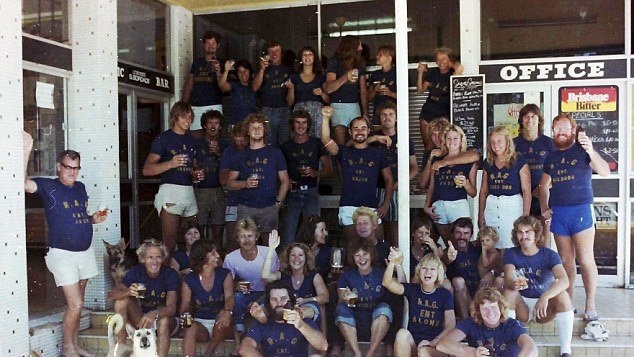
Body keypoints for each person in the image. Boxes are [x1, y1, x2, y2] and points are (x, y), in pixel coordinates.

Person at [23, 134, 107, 357]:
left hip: (85, 253)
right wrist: (27, 148)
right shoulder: (47, 185)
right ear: (59, 166)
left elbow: (79, 216)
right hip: (62, 254)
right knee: (76, 304)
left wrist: (92, 219)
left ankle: (75, 345)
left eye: (76, 168)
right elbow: (21, 183)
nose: (73, 172)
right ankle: (67, 349)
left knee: (78, 304)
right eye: (68, 167)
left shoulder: (80, 187)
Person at [539, 113, 610, 323]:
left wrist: (591, 150)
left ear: (573, 131)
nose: (560, 132)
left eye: (564, 128)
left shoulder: (583, 150)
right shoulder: (550, 157)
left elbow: (604, 171)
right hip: (559, 213)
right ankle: (568, 303)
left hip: (580, 210)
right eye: (557, 129)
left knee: (586, 259)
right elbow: (543, 187)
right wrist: (544, 208)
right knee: (566, 261)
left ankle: (590, 305)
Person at [503, 215, 575, 357]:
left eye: (527, 231)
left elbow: (564, 280)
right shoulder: (511, 253)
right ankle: (510, 346)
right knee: (509, 292)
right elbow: (509, 276)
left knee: (563, 294)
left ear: (536, 233)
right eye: (520, 232)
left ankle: (566, 351)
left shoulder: (549, 254)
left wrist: (545, 296)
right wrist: (515, 282)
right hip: (521, 306)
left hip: (543, 308)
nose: (524, 236)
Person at [321, 109, 393, 243]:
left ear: (368, 131)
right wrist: (325, 118)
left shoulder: (378, 153)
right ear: (350, 132)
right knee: (352, 248)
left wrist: (386, 203)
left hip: (371, 206)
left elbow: (389, 179)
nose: (360, 131)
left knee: (377, 245)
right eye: (356, 128)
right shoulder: (344, 152)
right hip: (348, 206)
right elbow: (325, 139)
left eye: (363, 128)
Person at [142, 101, 203, 255]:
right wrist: (170, 163)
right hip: (170, 190)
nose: (188, 121)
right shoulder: (164, 138)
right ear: (175, 117)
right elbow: (147, 169)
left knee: (193, 241)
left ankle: (189, 277)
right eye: (184, 117)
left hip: (188, 191)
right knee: (169, 241)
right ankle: (166, 278)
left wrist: (196, 174)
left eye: (190, 117)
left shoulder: (192, 140)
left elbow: (194, 167)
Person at [226, 113, 290, 245]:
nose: (256, 130)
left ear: (265, 130)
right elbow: (229, 183)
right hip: (246, 207)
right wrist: (245, 183)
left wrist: (278, 203)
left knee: (269, 248)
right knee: (245, 246)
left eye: (260, 127)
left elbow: (285, 181)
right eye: (253, 127)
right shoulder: (241, 155)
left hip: (269, 207)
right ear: (247, 132)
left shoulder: (275, 153)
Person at [107, 239, 179, 357]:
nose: (154, 261)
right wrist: (128, 292)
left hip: (164, 320)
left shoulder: (170, 274)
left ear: (163, 258)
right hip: (142, 321)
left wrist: (154, 314)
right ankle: (121, 349)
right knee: (120, 302)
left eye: (158, 257)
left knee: (164, 321)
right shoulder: (136, 272)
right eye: (150, 257)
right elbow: (111, 295)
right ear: (142, 259)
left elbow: (171, 308)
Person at [222, 217, 280, 352]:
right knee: (236, 297)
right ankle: (239, 333)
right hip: (245, 294)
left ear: (256, 237)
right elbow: (227, 283)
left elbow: (276, 279)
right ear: (237, 239)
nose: (247, 240)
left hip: (265, 293)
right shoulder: (231, 258)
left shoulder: (268, 252)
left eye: (250, 236)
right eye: (242, 236)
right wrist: (236, 285)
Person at [383, 252, 455, 357]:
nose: (427, 272)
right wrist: (393, 262)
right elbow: (387, 283)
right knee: (402, 334)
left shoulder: (445, 294)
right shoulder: (413, 289)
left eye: (432, 269)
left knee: (424, 351)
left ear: (438, 273)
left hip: (435, 346)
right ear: (419, 271)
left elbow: (450, 325)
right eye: (424, 268)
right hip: (414, 345)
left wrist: (434, 342)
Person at [280, 110, 333, 246]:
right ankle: (287, 266)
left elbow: (329, 169)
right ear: (292, 125)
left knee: (314, 235)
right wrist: (286, 181)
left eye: (304, 123)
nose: (301, 126)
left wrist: (316, 173)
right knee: (289, 236)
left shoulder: (316, 143)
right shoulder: (285, 147)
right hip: (293, 193)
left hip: (311, 192)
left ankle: (311, 265)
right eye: (297, 122)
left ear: (308, 125)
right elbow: (278, 171)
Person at [369, 101, 418, 247]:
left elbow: (414, 167)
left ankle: (397, 268)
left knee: (395, 235)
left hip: (396, 189)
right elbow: (354, 143)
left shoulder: (404, 139)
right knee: (375, 234)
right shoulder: (372, 138)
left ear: (397, 117)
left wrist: (402, 182)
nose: (387, 118)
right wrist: (377, 138)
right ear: (379, 118)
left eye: (391, 114)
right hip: (375, 189)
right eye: (383, 115)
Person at [437, 288, 538, 357]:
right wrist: (473, 352)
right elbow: (442, 344)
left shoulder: (512, 325)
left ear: (500, 308)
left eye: (493, 307)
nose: (490, 313)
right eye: (485, 308)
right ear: (478, 311)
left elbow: (531, 348)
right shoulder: (470, 323)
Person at [239, 280, 328, 357]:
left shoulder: (301, 319)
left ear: (291, 300)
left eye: (283, 298)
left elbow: (323, 345)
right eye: (274, 299)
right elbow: (245, 348)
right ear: (268, 303)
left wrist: (301, 325)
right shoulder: (262, 322)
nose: (279, 303)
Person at [335, 239, 392, 357]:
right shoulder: (347, 275)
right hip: (354, 321)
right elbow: (341, 301)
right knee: (341, 309)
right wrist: (345, 298)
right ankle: (357, 354)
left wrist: (396, 266)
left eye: (365, 254)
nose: (362, 259)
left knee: (384, 308)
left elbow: (401, 286)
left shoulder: (381, 273)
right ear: (352, 257)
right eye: (357, 255)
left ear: (371, 255)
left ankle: (371, 353)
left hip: (377, 321)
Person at [478, 126, 531, 249]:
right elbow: (483, 191)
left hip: (512, 207)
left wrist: (525, 217)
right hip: (492, 207)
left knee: (511, 244)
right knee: (492, 244)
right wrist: (481, 215)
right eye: (492, 142)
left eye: (499, 141)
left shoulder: (519, 161)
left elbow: (526, 191)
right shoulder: (488, 162)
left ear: (507, 141)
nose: (495, 145)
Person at [261, 231, 329, 328]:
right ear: (288, 258)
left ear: (306, 259)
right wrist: (271, 249)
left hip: (306, 320)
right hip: (284, 314)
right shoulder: (283, 275)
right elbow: (265, 276)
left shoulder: (314, 276)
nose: (296, 258)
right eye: (293, 255)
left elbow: (325, 297)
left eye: (300, 255)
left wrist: (306, 300)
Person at [179, 240, 234, 357]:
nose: (218, 256)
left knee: (222, 317)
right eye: (213, 253)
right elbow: (186, 304)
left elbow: (229, 297)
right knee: (190, 328)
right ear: (202, 256)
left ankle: (208, 354)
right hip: (200, 324)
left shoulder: (224, 274)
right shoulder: (189, 279)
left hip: (221, 323)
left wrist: (227, 311)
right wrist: (185, 315)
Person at [424, 124, 477, 242]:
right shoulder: (437, 160)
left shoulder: (469, 161)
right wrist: (426, 206)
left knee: (461, 243)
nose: (451, 141)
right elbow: (432, 186)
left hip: (458, 205)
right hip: (440, 206)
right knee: (448, 245)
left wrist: (466, 184)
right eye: (448, 138)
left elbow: (473, 193)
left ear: (461, 140)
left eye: (455, 138)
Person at [513, 104, 555, 244]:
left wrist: (546, 185)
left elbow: (558, 169)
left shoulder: (549, 143)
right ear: (521, 120)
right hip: (520, 199)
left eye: (533, 116)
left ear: (539, 120)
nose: (529, 120)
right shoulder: (513, 144)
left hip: (543, 198)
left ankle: (544, 266)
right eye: (525, 116)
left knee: (543, 240)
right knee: (521, 240)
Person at [324, 35, 368, 145]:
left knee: (357, 143)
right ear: (351, 46)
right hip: (337, 106)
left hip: (354, 106)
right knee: (340, 146)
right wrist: (345, 77)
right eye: (359, 45)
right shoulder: (335, 62)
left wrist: (365, 113)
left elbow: (363, 91)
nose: (361, 48)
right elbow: (329, 88)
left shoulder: (360, 63)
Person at [417, 47, 463, 150]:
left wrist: (450, 62)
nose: (440, 62)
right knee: (429, 147)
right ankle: (428, 165)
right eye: (438, 59)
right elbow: (420, 91)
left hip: (443, 116)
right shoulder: (433, 73)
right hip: (427, 114)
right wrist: (420, 73)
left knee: (443, 146)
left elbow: (460, 67)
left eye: (443, 59)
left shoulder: (453, 73)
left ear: (449, 60)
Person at [194, 110, 227, 246]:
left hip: (218, 190)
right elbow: (192, 164)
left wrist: (219, 153)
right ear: (204, 125)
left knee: (218, 229)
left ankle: (217, 259)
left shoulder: (225, 145)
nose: (213, 127)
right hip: (200, 190)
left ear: (220, 126)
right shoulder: (197, 143)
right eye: (210, 123)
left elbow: (229, 168)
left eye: (216, 123)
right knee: (199, 229)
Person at [252, 40, 293, 146]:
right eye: (271, 51)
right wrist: (262, 69)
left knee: (285, 145)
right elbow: (255, 87)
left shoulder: (289, 70)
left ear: (281, 53)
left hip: (284, 111)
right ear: (267, 54)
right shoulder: (263, 69)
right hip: (267, 111)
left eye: (277, 50)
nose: (274, 54)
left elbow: (291, 98)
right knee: (269, 144)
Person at [182, 31, 223, 130]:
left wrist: (219, 71)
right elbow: (190, 84)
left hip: (214, 104)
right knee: (195, 136)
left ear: (218, 45)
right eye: (208, 43)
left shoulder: (222, 62)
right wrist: (183, 105)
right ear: (204, 45)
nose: (211, 46)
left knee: (213, 135)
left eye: (213, 43)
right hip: (196, 105)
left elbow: (224, 86)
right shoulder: (197, 62)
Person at [286, 46, 329, 138]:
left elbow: (328, 100)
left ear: (314, 58)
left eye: (310, 54)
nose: (307, 57)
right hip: (299, 113)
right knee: (299, 139)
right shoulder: (294, 77)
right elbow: (289, 102)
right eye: (304, 54)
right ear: (301, 58)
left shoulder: (321, 76)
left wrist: (321, 93)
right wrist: (291, 88)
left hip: (317, 112)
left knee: (318, 140)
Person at [219, 123, 249, 252]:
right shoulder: (229, 151)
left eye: (242, 139)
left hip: (251, 202)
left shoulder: (254, 150)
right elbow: (223, 180)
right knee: (232, 240)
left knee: (250, 241)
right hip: (233, 200)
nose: (239, 142)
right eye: (236, 139)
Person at [444, 217, 481, 320]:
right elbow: (445, 261)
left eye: (466, 233)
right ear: (452, 234)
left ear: (471, 235)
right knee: (458, 281)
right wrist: (449, 258)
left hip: (478, 296)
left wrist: (489, 273)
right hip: (459, 300)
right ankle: (466, 322)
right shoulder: (447, 252)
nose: (462, 237)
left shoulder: (478, 249)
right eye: (458, 232)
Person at [218, 59, 259, 126]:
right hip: (236, 124)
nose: (243, 74)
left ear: (250, 72)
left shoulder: (253, 86)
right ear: (237, 74)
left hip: (252, 124)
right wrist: (226, 70)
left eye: (245, 71)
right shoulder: (234, 85)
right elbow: (222, 85)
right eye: (240, 72)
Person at [367, 45, 397, 125]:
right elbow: (369, 97)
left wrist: (390, 93)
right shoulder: (375, 74)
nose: (377, 56)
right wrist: (375, 90)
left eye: (380, 55)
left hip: (394, 113)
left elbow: (404, 97)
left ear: (389, 58)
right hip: (378, 113)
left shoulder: (397, 73)